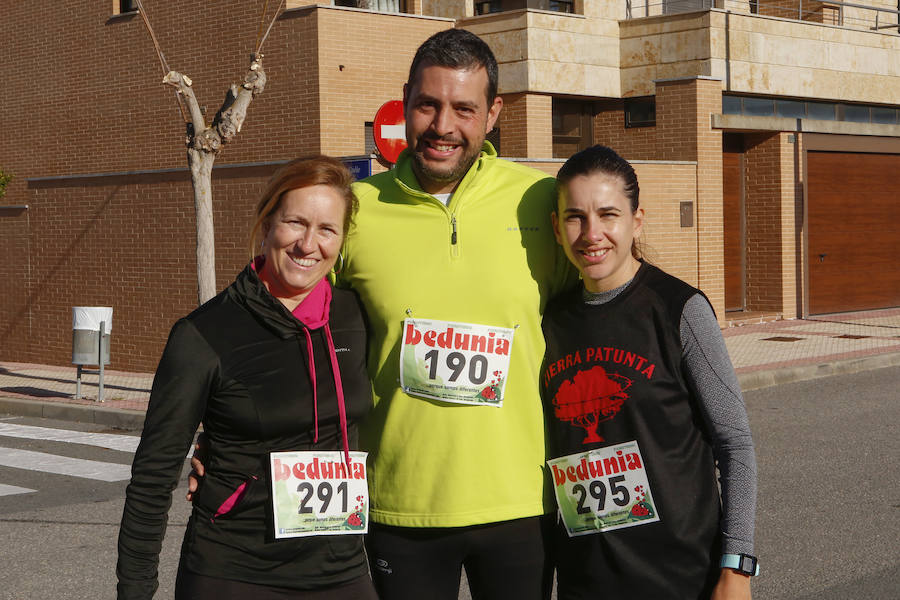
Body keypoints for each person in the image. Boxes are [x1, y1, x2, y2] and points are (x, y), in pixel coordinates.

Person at [339, 29, 577, 599]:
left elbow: (610, 304)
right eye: (428, 105)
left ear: (493, 114)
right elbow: (287, 325)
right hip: (399, 506)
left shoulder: (540, 201)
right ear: (406, 102)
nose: (443, 126)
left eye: (464, 109)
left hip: (520, 503)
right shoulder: (355, 211)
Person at [116, 156, 377, 599]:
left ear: (341, 240)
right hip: (235, 570)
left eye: (327, 229)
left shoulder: (354, 314)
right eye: (295, 222)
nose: (308, 244)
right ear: (267, 224)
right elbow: (153, 479)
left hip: (340, 567)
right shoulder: (204, 334)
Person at [541, 145, 758, 600]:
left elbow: (734, 442)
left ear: (636, 221)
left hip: (681, 577)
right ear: (557, 229)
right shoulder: (550, 320)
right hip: (586, 580)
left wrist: (736, 568)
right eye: (575, 217)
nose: (592, 233)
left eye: (608, 214)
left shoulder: (679, 309)